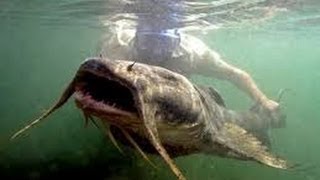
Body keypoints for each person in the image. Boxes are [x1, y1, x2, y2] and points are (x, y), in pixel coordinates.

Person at [98, 3, 280, 116]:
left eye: (164, 43)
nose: (155, 52)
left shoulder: (193, 52)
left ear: (177, 40)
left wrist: (263, 101)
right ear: (136, 38)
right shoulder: (118, 45)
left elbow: (234, 74)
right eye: (148, 42)